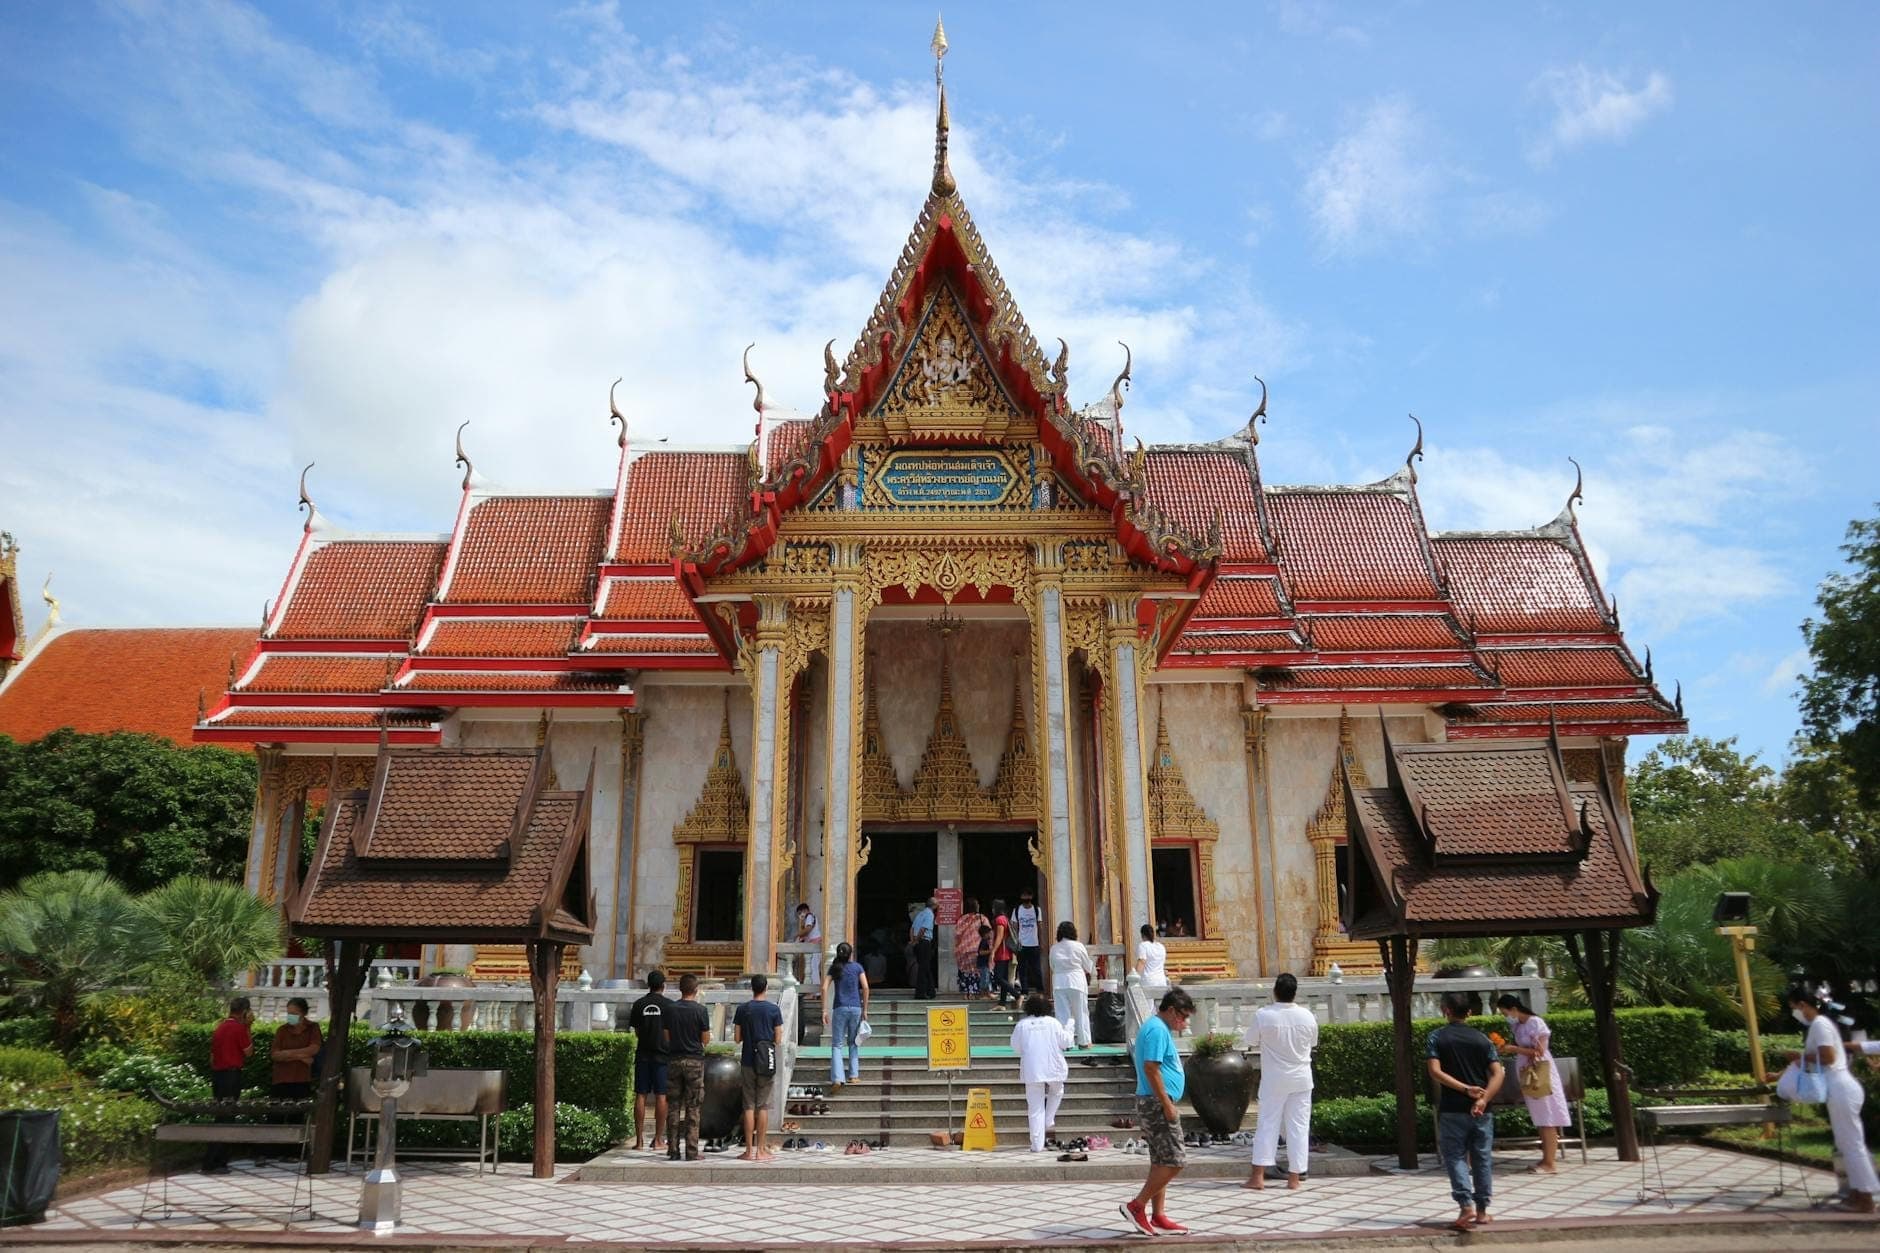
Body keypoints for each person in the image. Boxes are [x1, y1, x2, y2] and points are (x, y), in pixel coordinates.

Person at [1789, 987, 1877, 1213]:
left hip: (1840, 1088)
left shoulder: (1819, 1024)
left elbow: (1828, 1057)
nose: (1794, 1013)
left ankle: (1865, 1199)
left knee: (1852, 1144)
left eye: (1793, 1008)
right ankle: (1858, 1194)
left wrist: (1799, 1056)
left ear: (1802, 1005)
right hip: (1839, 1088)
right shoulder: (1822, 1025)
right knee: (1848, 1144)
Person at [1427, 990, 1504, 1231]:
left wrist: (1464, 1089)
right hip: (1482, 1109)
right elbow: (1498, 1072)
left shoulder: (1436, 1037)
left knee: (1455, 1156)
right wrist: (1483, 1098)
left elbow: (1435, 1072)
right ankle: (1482, 1211)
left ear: (1445, 1010)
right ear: (1470, 1012)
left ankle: (1465, 1205)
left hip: (1452, 1107)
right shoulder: (1482, 1039)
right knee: (1482, 1157)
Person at [1121, 986, 1194, 1237]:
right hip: (1156, 1103)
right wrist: (1167, 1104)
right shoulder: (1156, 1030)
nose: (1183, 1022)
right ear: (1171, 1010)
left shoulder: (1158, 1028)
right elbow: (1151, 1068)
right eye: (1182, 1016)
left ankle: (1158, 1214)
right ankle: (1136, 1205)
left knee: (1161, 1160)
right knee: (1175, 1160)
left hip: (1154, 1101)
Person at [1242, 972, 1318, 1190]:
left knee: (1267, 1124)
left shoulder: (1264, 1015)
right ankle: (1294, 1178)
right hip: (1302, 1078)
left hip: (1275, 1078)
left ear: (1275, 992)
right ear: (1295, 993)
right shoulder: (1307, 1016)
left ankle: (1258, 1177)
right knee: (1299, 1127)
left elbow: (1250, 1040)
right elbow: (1312, 1042)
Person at [1494, 993, 1567, 1174]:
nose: (1506, 1017)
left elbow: (1540, 1050)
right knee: (1540, 1116)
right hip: (1528, 1072)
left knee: (1547, 1116)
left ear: (1514, 1009)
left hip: (1540, 1073)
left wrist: (1514, 1049)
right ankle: (1546, 1158)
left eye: (1506, 1012)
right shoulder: (1518, 1026)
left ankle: (1550, 1162)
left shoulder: (1535, 1022)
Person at [1010, 993, 1073, 1152]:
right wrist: (1070, 1028)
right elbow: (1066, 1042)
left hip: (1032, 1070)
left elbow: (1015, 1047)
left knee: (1035, 1108)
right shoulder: (1053, 1023)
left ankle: (1037, 1145)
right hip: (1054, 1067)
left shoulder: (1022, 1025)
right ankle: (1048, 1120)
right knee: (1057, 1090)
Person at [662, 973, 713, 1161]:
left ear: (680, 989)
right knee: (693, 1107)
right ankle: (691, 1151)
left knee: (673, 1106)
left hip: (674, 1060)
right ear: (696, 990)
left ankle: (673, 1150)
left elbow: (666, 1036)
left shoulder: (670, 1009)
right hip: (694, 1061)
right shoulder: (700, 1010)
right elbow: (705, 1039)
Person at [733, 974, 783, 1162]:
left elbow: (737, 1038)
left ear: (751, 988)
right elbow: (778, 1039)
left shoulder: (743, 1009)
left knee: (748, 1105)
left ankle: (748, 1150)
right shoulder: (773, 1010)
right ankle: (761, 1149)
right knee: (763, 1105)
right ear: (766, 988)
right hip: (766, 1061)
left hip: (747, 1060)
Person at [203, 996, 254, 1173]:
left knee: (220, 1115)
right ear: (245, 1012)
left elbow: (212, 1057)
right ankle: (215, 1161)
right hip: (231, 1076)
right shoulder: (238, 1029)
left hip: (218, 1075)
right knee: (227, 1117)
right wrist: (248, 1027)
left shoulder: (220, 1028)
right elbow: (249, 1052)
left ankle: (215, 1159)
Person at [823, 942, 870, 1087]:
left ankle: (838, 1078)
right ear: (851, 954)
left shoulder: (835, 968)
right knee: (853, 1042)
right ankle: (854, 1075)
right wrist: (865, 1009)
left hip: (839, 1007)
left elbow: (824, 988)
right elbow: (866, 987)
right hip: (855, 1008)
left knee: (837, 1044)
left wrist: (824, 1010)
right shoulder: (857, 967)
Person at [1049, 920, 1097, 1048]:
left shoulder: (1054, 948)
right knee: (1081, 1012)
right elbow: (1087, 966)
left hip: (1059, 982)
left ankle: (1065, 1043)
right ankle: (1084, 1041)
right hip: (1076, 981)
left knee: (1062, 1014)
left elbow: (1052, 966)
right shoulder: (1078, 946)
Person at [269, 997, 322, 1101]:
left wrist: (286, 1054)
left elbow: (314, 1049)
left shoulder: (313, 1028)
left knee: (297, 1114)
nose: (290, 1016)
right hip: (281, 1079)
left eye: (294, 1013)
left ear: (303, 1013)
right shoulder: (282, 1030)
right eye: (289, 1013)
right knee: (277, 1113)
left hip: (302, 1079)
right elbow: (275, 1055)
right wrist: (301, 1057)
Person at [954, 896, 988, 996]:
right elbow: (989, 932)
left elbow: (957, 935)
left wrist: (957, 948)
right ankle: (976, 993)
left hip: (963, 951)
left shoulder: (962, 920)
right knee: (977, 972)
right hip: (977, 950)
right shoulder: (982, 918)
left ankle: (966, 994)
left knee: (965, 973)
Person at [1013, 890, 1043, 997]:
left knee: (1037, 969)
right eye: (1024, 894)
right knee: (1022, 969)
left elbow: (1039, 927)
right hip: (1022, 944)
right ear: (1021, 896)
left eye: (1028, 894)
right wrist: (1016, 942)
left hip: (1034, 944)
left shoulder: (1036, 910)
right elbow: (1015, 928)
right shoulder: (1017, 910)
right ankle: (1024, 991)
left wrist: (1041, 942)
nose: (1026, 896)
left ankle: (1040, 990)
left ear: (1031, 896)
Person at [988, 898, 1015, 1008]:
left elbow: (999, 937)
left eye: (993, 907)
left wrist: (993, 951)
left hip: (1002, 952)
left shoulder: (1000, 920)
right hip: (1005, 952)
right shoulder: (1005, 918)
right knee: (1003, 978)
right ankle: (1002, 1003)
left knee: (998, 978)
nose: (992, 909)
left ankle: (1017, 994)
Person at [910, 896, 938, 999]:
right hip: (924, 942)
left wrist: (913, 941)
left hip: (918, 943)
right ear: (934, 905)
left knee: (925, 967)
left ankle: (931, 991)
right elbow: (923, 929)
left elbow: (912, 928)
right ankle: (921, 993)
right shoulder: (929, 914)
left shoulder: (920, 913)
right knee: (923, 968)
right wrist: (917, 939)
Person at [793, 902, 820, 983]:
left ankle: (814, 993)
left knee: (813, 968)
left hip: (814, 945)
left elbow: (808, 930)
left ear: (805, 910)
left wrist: (797, 935)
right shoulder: (811, 917)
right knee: (813, 968)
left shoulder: (809, 916)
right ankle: (813, 993)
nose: (800, 916)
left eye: (800, 913)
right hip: (814, 944)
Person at [1135, 923, 1168, 989]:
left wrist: (1134, 978)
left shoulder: (1143, 945)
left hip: (1148, 982)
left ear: (1142, 935)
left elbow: (1142, 962)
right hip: (1162, 981)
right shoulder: (1161, 946)